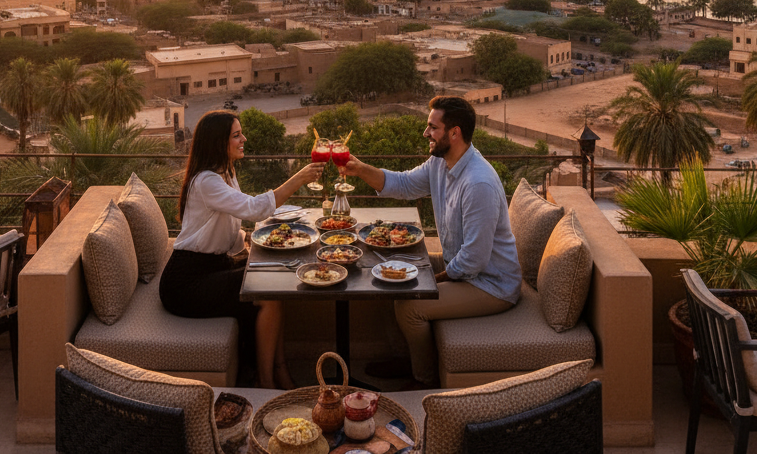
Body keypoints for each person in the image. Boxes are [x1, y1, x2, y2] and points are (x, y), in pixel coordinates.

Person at [344, 95, 522, 387]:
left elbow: (474, 260)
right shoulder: (440, 164)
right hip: (462, 265)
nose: (426, 133)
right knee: (390, 272)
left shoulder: (478, 183)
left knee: (410, 305)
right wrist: (360, 168)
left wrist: (430, 281)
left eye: (432, 127)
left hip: (491, 284)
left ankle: (423, 380)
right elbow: (402, 184)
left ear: (454, 133)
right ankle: (407, 359)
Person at [159, 110, 323, 389]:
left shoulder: (226, 173)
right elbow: (253, 208)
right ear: (218, 142)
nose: (243, 139)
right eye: (236, 135)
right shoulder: (207, 181)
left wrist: (250, 239)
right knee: (268, 294)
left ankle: (278, 370)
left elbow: (229, 227)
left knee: (273, 282)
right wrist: (298, 179)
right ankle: (267, 382)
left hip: (213, 266)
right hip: (186, 283)